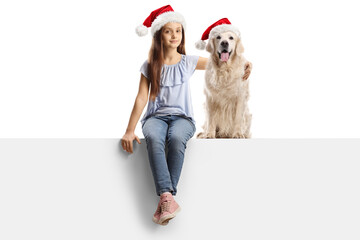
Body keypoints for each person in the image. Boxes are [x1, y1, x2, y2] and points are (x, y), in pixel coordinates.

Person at [121, 5, 251, 225]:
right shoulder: (149, 65)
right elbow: (141, 98)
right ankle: (168, 197)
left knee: (177, 138)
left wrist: (247, 63)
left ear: (182, 35)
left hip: (183, 119)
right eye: (168, 31)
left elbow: (223, 60)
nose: (174, 35)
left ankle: (165, 197)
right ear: (158, 34)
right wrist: (129, 130)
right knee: (154, 138)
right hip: (155, 118)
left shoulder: (188, 62)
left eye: (178, 31)